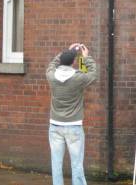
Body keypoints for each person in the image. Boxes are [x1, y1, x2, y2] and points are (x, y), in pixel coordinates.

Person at [46, 43, 98, 185]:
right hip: (74, 127)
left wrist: (67, 52)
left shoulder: (51, 76)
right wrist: (84, 57)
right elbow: (92, 73)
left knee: (56, 164)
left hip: (55, 126)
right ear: (73, 62)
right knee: (76, 164)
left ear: (61, 61)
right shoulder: (78, 78)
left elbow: (52, 64)